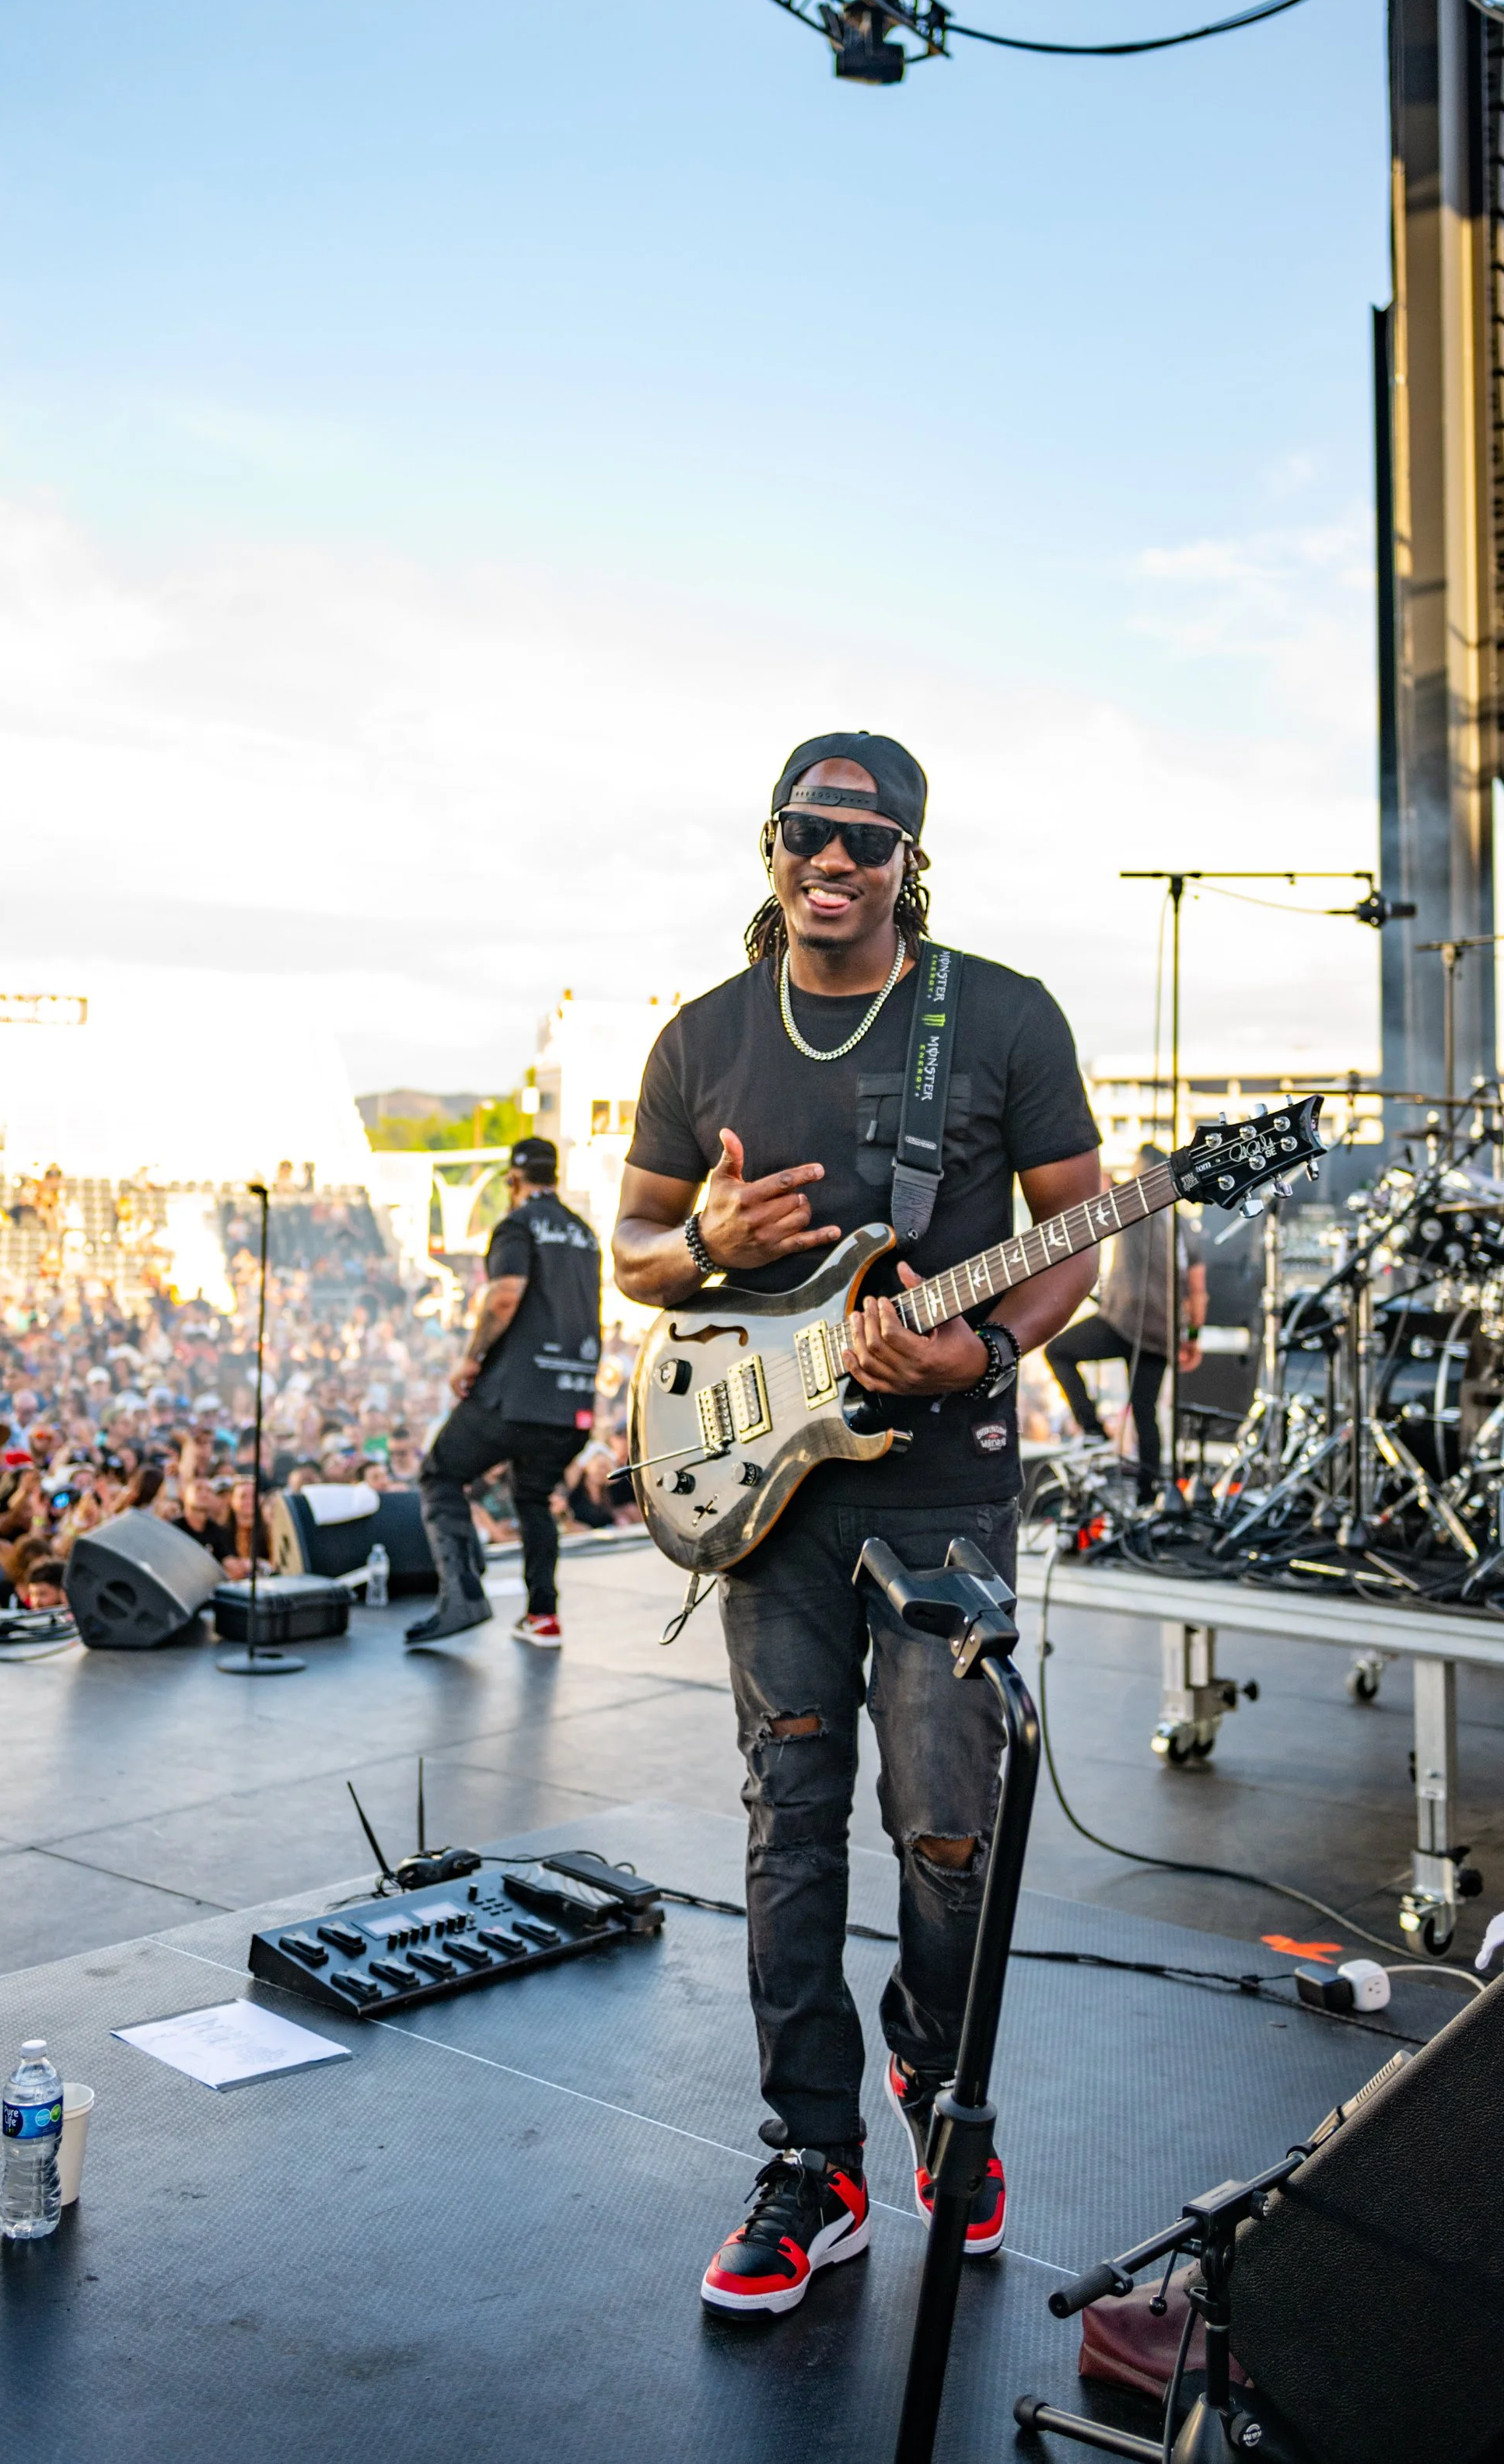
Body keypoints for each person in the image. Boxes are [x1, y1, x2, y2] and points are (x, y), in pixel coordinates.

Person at [612, 732, 1102, 2318]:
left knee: (946, 1836)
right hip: (770, 1501)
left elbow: (1070, 1234)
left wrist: (982, 1347)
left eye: (868, 842)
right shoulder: (698, 1038)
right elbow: (631, 1253)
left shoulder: (1001, 1013)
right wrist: (700, 1237)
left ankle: (936, 2089)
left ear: (908, 863)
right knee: (787, 1825)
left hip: (941, 1486)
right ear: (768, 845)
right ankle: (809, 2160)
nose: (835, 862)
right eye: (809, 833)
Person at [405, 1135, 601, 1652]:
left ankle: (461, 1594)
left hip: (515, 1394)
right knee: (533, 1497)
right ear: (554, 1176)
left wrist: (471, 1357)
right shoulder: (585, 1234)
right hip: (572, 1401)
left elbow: (506, 1294)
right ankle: (542, 1616)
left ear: (514, 1181)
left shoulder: (517, 1224)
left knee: (441, 1472)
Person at [1043, 1143, 1205, 1493]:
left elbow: (1100, 1182)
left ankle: (1092, 1429)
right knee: (1146, 1414)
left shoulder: (1133, 1204)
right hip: (1163, 1335)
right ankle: (1150, 1498)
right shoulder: (1184, 1227)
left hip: (1123, 1323)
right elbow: (1197, 1291)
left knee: (1058, 1352)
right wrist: (1192, 1336)